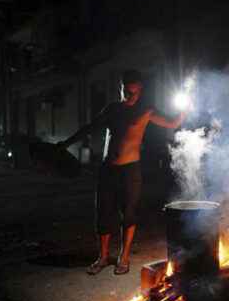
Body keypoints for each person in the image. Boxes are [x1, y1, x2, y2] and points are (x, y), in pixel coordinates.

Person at [53, 69, 186, 275]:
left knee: (129, 215)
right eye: (126, 90)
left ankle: (123, 257)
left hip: (131, 170)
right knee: (103, 214)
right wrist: (65, 144)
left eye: (134, 91)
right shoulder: (111, 110)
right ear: (120, 88)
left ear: (140, 90)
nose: (130, 95)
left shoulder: (146, 110)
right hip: (108, 169)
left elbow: (173, 122)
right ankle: (103, 257)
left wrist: (184, 107)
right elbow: (88, 128)